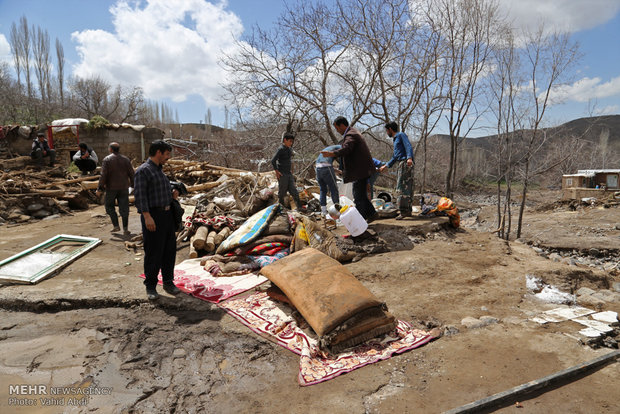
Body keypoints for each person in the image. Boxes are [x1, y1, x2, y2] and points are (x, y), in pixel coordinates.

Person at [134, 140, 181, 301]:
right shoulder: (143, 171)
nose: (168, 158)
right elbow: (140, 196)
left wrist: (172, 195)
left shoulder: (159, 171)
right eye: (167, 154)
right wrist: (147, 216)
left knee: (169, 251)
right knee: (154, 252)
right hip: (153, 216)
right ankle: (151, 286)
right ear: (159, 152)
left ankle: (168, 282)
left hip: (167, 216)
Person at [321, 116, 377, 222]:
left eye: (337, 128)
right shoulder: (353, 132)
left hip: (360, 170)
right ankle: (372, 214)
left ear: (342, 125)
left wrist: (332, 153)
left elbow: (347, 149)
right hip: (362, 170)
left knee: (358, 196)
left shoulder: (350, 134)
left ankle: (360, 220)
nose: (337, 131)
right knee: (361, 194)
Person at [96, 142, 135, 235]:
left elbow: (103, 175)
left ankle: (116, 226)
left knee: (109, 207)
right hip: (124, 187)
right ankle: (125, 229)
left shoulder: (107, 159)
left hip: (111, 188)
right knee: (124, 208)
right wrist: (133, 185)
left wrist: (100, 188)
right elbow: (132, 174)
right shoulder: (126, 160)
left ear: (111, 149)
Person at [379, 121, 414, 220]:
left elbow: (408, 146)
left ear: (390, 129)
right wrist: (386, 166)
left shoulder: (401, 135)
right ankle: (407, 211)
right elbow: (395, 156)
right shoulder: (395, 140)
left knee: (402, 187)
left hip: (405, 163)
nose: (386, 133)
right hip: (401, 162)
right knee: (405, 187)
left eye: (386, 130)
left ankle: (404, 211)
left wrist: (409, 157)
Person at [271, 132, 301, 209]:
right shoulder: (280, 149)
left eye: (292, 142)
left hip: (289, 174)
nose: (291, 143)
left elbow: (290, 161)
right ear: (285, 140)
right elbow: (273, 160)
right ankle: (281, 209)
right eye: (290, 141)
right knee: (282, 193)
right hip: (282, 174)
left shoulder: (289, 149)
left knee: (294, 192)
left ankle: (299, 208)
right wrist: (277, 172)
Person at [315, 144, 341, 216]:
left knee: (323, 189)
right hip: (326, 167)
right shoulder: (340, 148)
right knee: (334, 188)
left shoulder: (329, 148)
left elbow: (324, 164)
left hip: (317, 168)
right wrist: (342, 168)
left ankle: (323, 211)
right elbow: (342, 158)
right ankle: (337, 210)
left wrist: (336, 170)